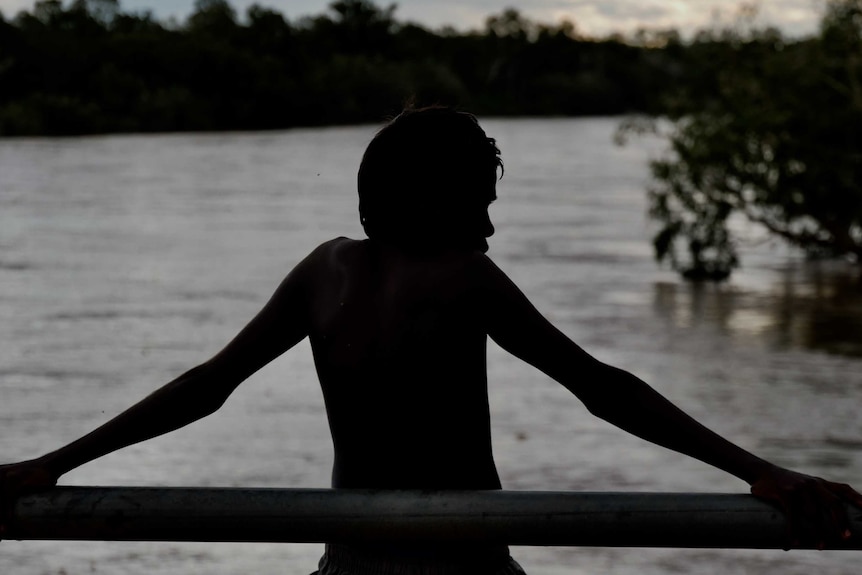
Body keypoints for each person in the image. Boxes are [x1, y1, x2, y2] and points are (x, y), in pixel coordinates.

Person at [1, 106, 860, 574]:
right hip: (462, 573)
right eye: (477, 203)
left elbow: (206, 385)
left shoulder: (322, 270)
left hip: (353, 564)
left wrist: (57, 463)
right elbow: (599, 386)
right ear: (432, 203)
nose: (489, 226)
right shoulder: (462, 279)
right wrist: (761, 471)